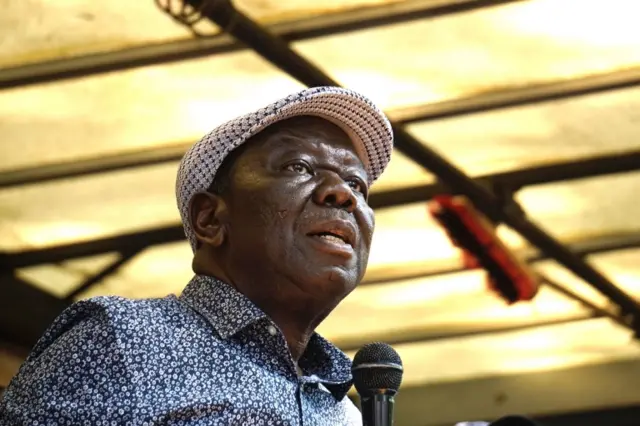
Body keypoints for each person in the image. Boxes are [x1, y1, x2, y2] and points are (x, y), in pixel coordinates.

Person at [0, 86, 394, 425]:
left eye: (357, 184)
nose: (342, 194)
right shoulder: (124, 340)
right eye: (299, 166)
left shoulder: (343, 408)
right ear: (209, 218)